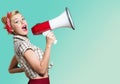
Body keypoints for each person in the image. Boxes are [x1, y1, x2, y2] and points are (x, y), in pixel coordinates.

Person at [1, 10, 56, 84]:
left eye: (23, 19)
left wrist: (27, 66)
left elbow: (11, 69)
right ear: (11, 29)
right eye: (17, 21)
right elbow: (42, 71)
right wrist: (48, 45)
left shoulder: (20, 44)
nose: (22, 22)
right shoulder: (23, 45)